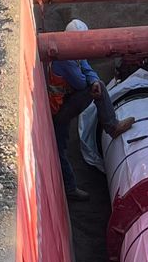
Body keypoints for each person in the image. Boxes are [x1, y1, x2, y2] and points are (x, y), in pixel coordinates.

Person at [46, 20, 130, 201]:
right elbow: (79, 82)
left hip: (62, 107)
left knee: (61, 146)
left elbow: (86, 67)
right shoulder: (64, 58)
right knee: (60, 148)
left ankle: (69, 188)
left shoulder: (71, 49)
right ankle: (112, 126)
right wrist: (92, 83)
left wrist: (91, 80)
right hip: (58, 111)